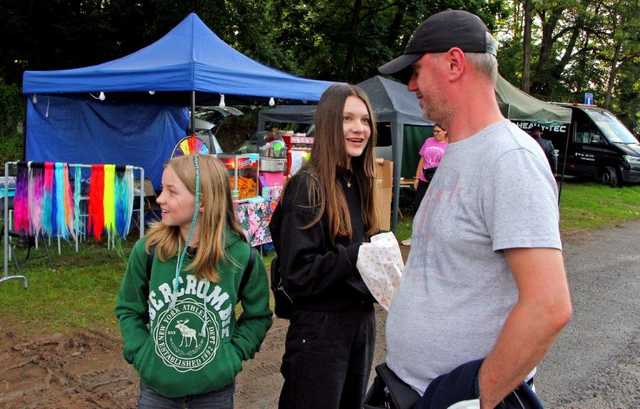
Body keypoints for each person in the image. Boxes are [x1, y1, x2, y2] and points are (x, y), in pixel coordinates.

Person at [378, 9, 572, 409]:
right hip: (412, 389)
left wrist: (476, 398)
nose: (411, 85)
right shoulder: (458, 151)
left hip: (455, 399)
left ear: (454, 62)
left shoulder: (510, 158)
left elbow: (549, 306)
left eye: (415, 70)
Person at [115, 154, 272, 409]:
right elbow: (128, 308)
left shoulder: (242, 257)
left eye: (171, 191)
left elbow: (258, 316)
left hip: (214, 393)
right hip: (157, 392)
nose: (160, 198)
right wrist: (142, 354)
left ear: (203, 201)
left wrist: (232, 357)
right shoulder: (149, 251)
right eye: (162, 189)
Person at [269, 83, 379, 409]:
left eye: (365, 120)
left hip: (358, 327)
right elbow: (298, 275)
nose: (359, 129)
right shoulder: (308, 186)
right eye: (348, 119)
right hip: (320, 334)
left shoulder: (355, 182)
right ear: (330, 123)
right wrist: (358, 255)